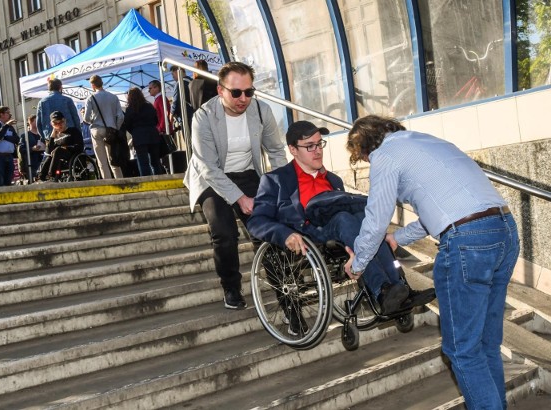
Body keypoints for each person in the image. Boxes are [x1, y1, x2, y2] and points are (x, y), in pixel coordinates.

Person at [344, 115, 520, 410]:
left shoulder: (384, 155)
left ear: (364, 148)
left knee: (461, 350)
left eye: (362, 157)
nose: (367, 161)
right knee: (486, 343)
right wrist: (399, 238)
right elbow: (443, 206)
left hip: (467, 242)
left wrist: (359, 263)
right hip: (504, 230)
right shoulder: (430, 142)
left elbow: (375, 220)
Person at [247, 120, 435, 326]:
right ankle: (382, 289)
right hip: (309, 232)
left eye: (320, 144)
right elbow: (257, 221)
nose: (317, 151)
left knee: (369, 222)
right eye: (310, 146)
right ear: (293, 149)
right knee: (345, 219)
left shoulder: (333, 180)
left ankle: (400, 288)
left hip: (344, 232)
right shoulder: (275, 180)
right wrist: (285, 235)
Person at [184, 61, 288, 309]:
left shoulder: (261, 111)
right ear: (221, 91)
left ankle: (286, 295)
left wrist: (283, 185)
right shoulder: (204, 117)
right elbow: (208, 166)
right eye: (236, 92)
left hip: (247, 173)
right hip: (212, 178)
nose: (243, 98)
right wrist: (240, 199)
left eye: (249, 92)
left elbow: (275, 150)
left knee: (264, 231)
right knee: (224, 232)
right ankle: (231, 287)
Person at [83, 75, 125, 179]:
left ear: (93, 85)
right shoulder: (113, 97)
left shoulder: (91, 98)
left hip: (96, 129)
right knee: (113, 158)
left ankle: (108, 182)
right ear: (102, 83)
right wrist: (115, 127)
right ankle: (120, 181)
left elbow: (86, 118)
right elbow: (120, 116)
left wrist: (94, 119)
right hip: (111, 129)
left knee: (102, 161)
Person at [123, 87, 164, 176]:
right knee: (156, 162)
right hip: (153, 135)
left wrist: (135, 131)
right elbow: (156, 120)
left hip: (139, 137)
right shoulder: (149, 106)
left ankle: (147, 182)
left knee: (143, 163)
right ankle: (160, 180)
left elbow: (127, 124)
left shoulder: (130, 109)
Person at [37, 111, 83, 181]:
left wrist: (65, 147)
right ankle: (41, 177)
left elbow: (80, 146)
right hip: (58, 159)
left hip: (71, 154)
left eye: (61, 122)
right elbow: (48, 152)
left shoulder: (73, 131)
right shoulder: (55, 136)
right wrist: (52, 137)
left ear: (65, 120)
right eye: (55, 123)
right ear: (52, 124)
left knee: (58, 150)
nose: (59, 125)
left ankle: (51, 175)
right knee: (49, 157)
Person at [36, 78, 81, 143]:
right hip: (69, 135)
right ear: (60, 87)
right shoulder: (67, 100)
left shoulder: (42, 102)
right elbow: (76, 119)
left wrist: (45, 137)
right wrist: (78, 134)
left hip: (51, 137)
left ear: (49, 88)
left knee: (54, 153)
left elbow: (38, 124)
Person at [0, 106, 20, 186]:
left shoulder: (10, 127)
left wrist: (5, 137)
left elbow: (17, 139)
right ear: (1, 114)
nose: (10, 115)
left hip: (9, 156)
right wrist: (5, 126)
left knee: (8, 180)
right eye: (8, 113)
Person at [19, 115, 44, 180]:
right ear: (31, 122)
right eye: (36, 121)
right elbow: (21, 149)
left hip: (43, 161)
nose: (39, 122)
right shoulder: (25, 136)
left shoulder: (42, 135)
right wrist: (32, 148)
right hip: (31, 163)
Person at [169, 65, 194, 133]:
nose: (172, 76)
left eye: (172, 73)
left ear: (178, 71)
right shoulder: (192, 81)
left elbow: (175, 101)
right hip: (194, 114)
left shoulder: (179, 83)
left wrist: (171, 113)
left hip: (185, 116)